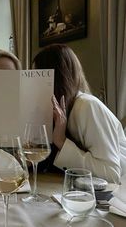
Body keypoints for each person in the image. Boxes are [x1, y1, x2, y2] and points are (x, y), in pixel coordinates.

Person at [33, 43, 126, 183]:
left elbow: (111, 174)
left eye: (36, 77)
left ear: (55, 79)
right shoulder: (55, 111)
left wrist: (61, 141)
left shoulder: (87, 106)